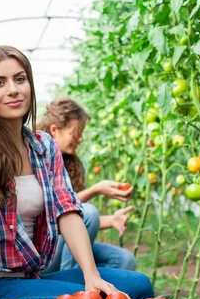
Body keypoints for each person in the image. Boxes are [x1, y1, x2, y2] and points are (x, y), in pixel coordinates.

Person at [0, 46, 154, 299]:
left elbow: (67, 210)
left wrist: (92, 274)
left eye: (20, 79)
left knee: (138, 286)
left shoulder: (43, 146)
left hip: (29, 279)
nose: (13, 90)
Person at [37, 97, 137, 272]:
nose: (81, 139)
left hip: (61, 242)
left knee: (123, 260)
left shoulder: (73, 165)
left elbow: (75, 219)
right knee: (89, 211)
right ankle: (71, 287)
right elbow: (50, 211)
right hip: (41, 249)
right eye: (76, 133)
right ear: (54, 130)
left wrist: (111, 220)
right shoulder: (34, 159)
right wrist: (96, 190)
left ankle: (96, 297)